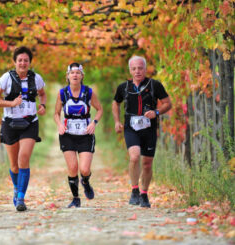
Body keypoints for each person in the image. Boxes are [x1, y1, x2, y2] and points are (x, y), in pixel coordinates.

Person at [0, 46, 46, 212]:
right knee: (14, 165)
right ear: (14, 62)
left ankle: (21, 197)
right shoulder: (6, 78)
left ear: (30, 63)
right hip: (10, 123)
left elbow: (42, 94)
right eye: (20, 60)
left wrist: (42, 105)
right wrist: (11, 103)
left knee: (23, 158)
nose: (23, 63)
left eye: (26, 60)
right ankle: (16, 187)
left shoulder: (36, 78)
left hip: (29, 123)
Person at [112, 56, 172, 208]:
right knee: (134, 156)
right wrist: (117, 121)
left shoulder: (154, 85)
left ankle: (144, 194)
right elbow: (115, 103)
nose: (137, 71)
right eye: (134, 68)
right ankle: (134, 190)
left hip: (149, 129)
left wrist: (156, 112)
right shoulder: (124, 87)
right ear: (130, 70)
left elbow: (167, 103)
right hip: (131, 128)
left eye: (140, 68)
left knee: (147, 163)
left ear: (145, 69)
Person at [54, 63, 103, 208]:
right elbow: (56, 113)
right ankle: (76, 198)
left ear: (82, 76)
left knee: (84, 169)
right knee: (73, 168)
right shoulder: (62, 93)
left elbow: (99, 109)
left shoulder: (88, 92)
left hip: (85, 134)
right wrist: (60, 124)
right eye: (72, 73)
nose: (75, 75)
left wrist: (93, 123)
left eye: (78, 72)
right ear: (67, 76)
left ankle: (86, 181)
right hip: (67, 134)